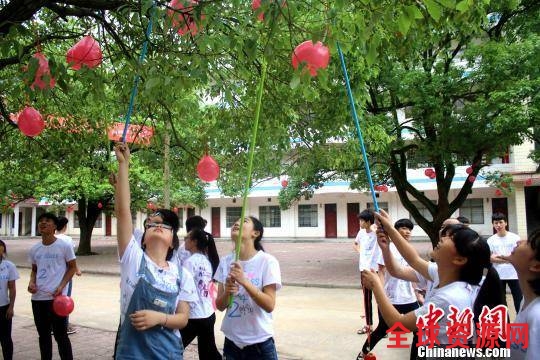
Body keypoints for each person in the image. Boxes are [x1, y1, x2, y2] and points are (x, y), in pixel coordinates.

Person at [362, 210, 504, 356]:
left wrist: (375, 285)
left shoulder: (448, 298)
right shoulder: (446, 272)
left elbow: (398, 324)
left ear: (460, 260)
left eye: (452, 237)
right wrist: (389, 236)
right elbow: (411, 261)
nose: (443, 237)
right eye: (444, 230)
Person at [114, 143, 197, 359]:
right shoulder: (132, 259)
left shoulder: (182, 274)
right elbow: (123, 212)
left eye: (164, 225)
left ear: (172, 241)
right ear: (141, 240)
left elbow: (183, 319)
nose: (158, 226)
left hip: (168, 353)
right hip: (132, 353)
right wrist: (124, 165)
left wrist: (159, 318)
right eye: (151, 225)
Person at [214, 216, 281, 360]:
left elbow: (269, 305)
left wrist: (244, 282)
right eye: (235, 221)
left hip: (260, 344)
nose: (236, 223)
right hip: (232, 342)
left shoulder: (267, 262)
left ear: (255, 233)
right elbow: (219, 305)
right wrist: (227, 292)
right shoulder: (226, 262)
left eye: (244, 221)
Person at [357, 219, 420, 360]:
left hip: (410, 298)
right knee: (382, 330)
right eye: (403, 228)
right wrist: (382, 296)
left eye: (410, 229)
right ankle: (363, 354)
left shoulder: (410, 251)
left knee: (419, 330)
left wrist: (418, 293)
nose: (407, 232)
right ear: (395, 231)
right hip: (391, 299)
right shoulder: (387, 248)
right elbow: (381, 272)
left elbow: (415, 273)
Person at [28, 212, 77, 360]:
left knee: (61, 336)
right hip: (38, 299)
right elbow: (34, 270)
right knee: (43, 336)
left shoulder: (64, 245)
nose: (43, 223)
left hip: (57, 300)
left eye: (47, 221)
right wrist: (31, 282)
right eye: (41, 221)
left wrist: (62, 286)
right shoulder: (34, 249)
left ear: (55, 226)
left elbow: (72, 268)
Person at [180, 228, 222, 359]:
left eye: (187, 238)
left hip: (194, 316)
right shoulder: (206, 261)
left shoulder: (189, 262)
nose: (184, 240)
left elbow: (182, 289)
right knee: (208, 353)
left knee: (172, 347)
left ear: (194, 242)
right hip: (208, 314)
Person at [502, 228, 540, 360]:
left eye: (529, 242)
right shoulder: (526, 301)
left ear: (536, 266)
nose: (519, 241)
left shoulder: (537, 316)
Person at [487, 212, 523, 313]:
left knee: (518, 300)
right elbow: (489, 258)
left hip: (514, 274)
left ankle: (519, 323)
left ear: (505, 223)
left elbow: (518, 256)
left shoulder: (515, 238)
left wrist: (499, 258)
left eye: (500, 222)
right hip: (498, 275)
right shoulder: (491, 240)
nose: (498, 225)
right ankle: (505, 324)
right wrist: (509, 259)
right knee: (501, 302)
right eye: (495, 223)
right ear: (493, 224)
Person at [353, 209, 381, 335]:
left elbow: (387, 239)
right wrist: (361, 253)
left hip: (375, 269)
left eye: (362, 220)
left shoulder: (377, 233)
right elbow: (355, 244)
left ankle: (383, 327)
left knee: (381, 299)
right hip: (363, 270)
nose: (360, 222)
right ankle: (368, 325)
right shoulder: (361, 232)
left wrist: (377, 230)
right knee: (367, 298)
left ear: (368, 221)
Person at [55, 216, 82, 334]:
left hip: (54, 275)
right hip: (66, 275)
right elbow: (71, 259)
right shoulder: (67, 240)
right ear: (65, 226)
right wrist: (77, 270)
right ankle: (64, 326)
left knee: (53, 299)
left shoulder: (52, 238)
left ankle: (53, 325)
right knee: (65, 300)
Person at [0, 239, 19, 360]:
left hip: (3, 307)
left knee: (5, 338)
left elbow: (12, 288)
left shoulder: (9, 266)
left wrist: (11, 307)